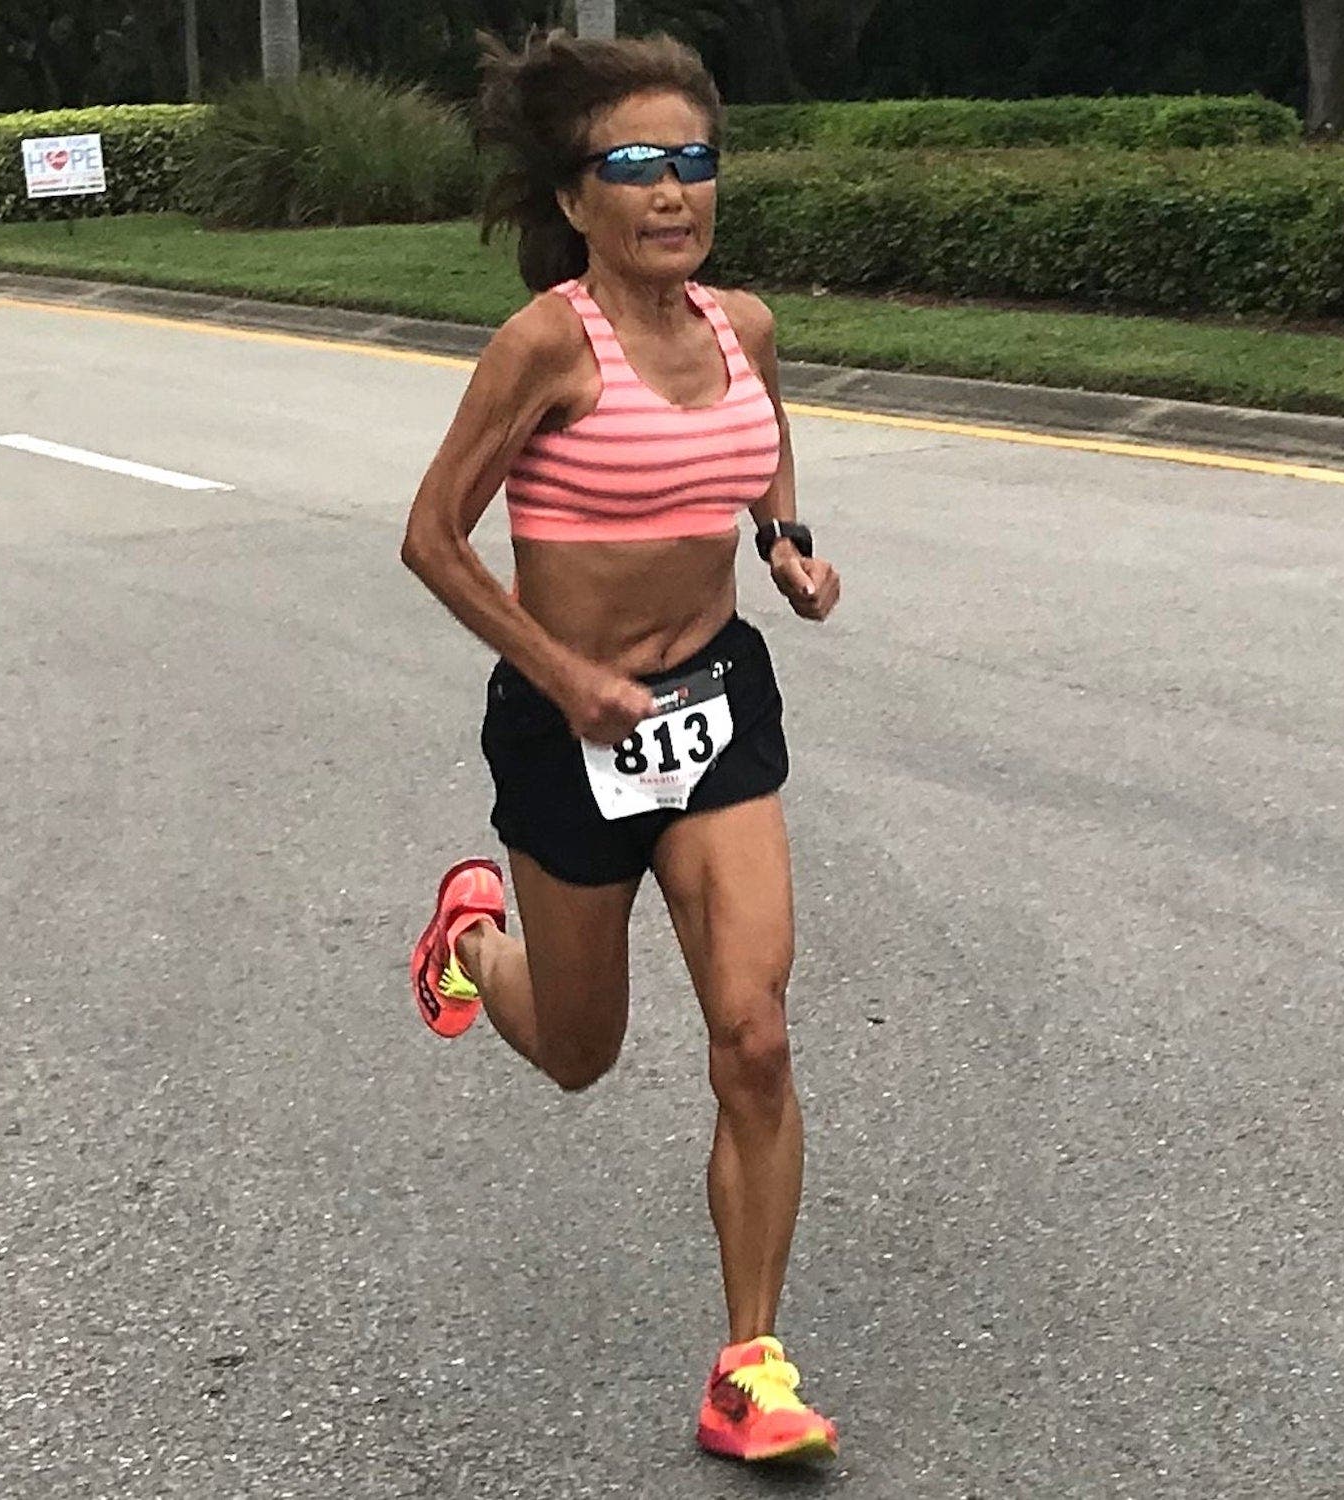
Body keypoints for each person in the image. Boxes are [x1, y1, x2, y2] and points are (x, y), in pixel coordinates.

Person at [400, 28, 842, 1464]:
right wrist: (562, 672)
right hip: (565, 728)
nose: (672, 192)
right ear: (577, 197)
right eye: (634, 166)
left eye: (694, 162)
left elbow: (764, 437)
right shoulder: (546, 342)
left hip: (716, 710)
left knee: (756, 1036)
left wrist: (785, 539)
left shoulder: (742, 326)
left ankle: (749, 1368)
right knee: (584, 1052)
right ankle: (472, 945)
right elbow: (431, 537)